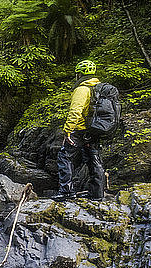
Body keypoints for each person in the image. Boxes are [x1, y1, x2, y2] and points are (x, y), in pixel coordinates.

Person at [52, 60, 105, 201]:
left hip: (80, 130)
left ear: (79, 74)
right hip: (94, 130)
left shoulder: (82, 89)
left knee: (65, 157)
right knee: (94, 160)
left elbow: (75, 111)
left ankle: (66, 192)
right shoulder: (98, 87)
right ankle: (97, 193)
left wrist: (67, 130)